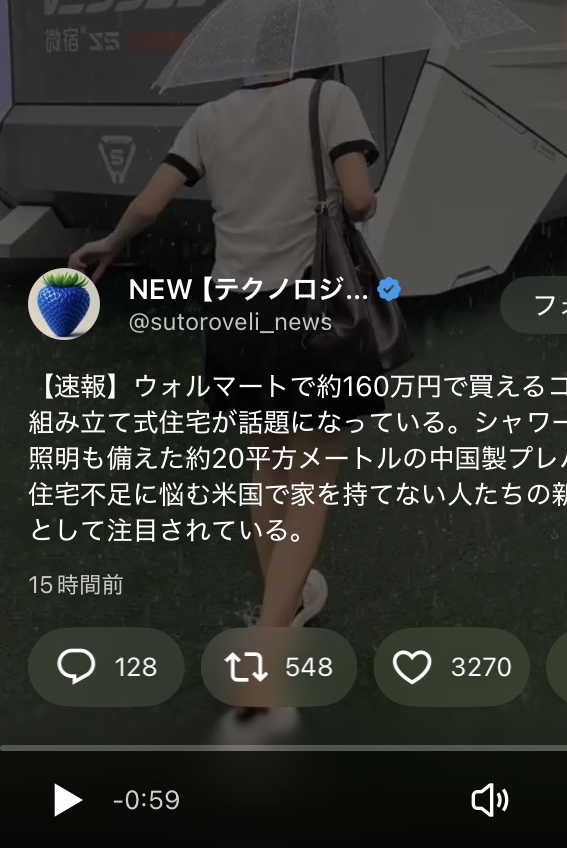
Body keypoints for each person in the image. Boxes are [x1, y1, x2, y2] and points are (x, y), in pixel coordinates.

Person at [69, 67, 379, 738]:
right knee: (312, 479)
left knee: (267, 466)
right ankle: (267, 653)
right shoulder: (331, 99)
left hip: (234, 313)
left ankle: (287, 603)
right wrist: (350, 202)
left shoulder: (209, 117)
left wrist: (111, 242)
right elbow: (358, 198)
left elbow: (151, 202)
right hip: (309, 309)